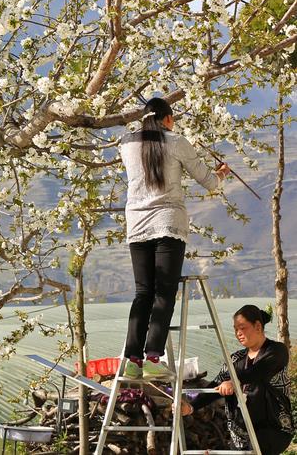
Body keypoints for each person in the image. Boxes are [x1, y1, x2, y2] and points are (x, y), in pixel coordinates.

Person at [118, 97, 230, 379]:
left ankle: (133, 359)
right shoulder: (177, 142)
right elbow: (209, 182)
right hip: (168, 223)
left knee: (143, 292)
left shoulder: (126, 144)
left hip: (137, 225)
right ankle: (153, 357)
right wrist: (221, 174)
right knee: (164, 291)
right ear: (167, 119)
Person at [184, 306, 293, 454]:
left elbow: (258, 371)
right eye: (235, 329)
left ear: (258, 326)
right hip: (240, 435)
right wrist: (191, 407)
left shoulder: (277, 351)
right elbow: (216, 385)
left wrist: (234, 382)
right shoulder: (235, 359)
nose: (238, 333)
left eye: (242, 328)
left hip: (272, 430)